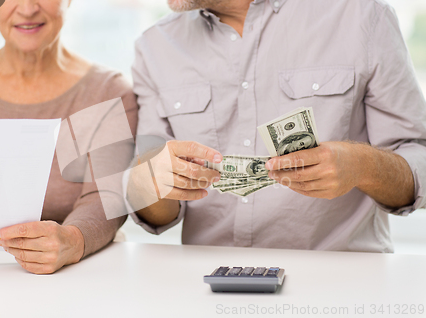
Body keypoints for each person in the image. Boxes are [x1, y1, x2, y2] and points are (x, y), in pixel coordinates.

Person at [126, 0, 426, 252]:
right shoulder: (153, 46)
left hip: (340, 283)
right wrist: (150, 184)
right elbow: (157, 211)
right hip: (210, 284)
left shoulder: (362, 16)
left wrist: (362, 165)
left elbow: (419, 160)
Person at [0, 0, 137, 274]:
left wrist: (72, 240)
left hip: (79, 271)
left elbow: (105, 196)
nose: (27, 9)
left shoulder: (108, 91)